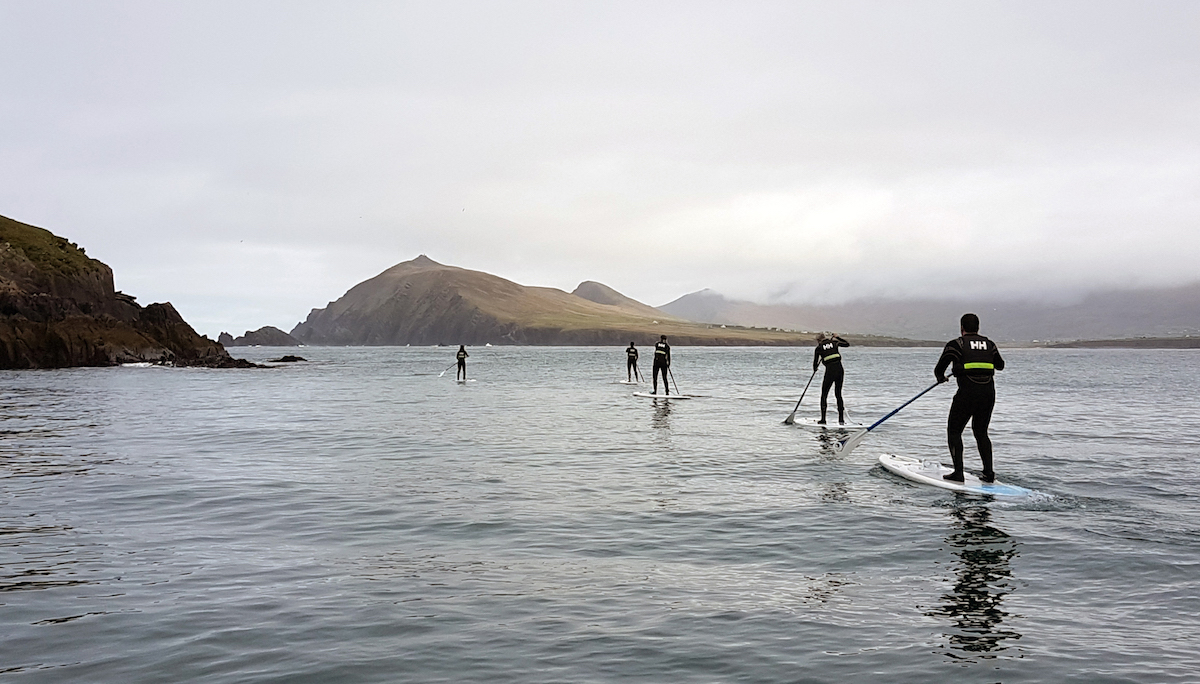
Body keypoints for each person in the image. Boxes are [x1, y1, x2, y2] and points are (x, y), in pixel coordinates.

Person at [934, 313, 1005, 483]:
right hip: (988, 394)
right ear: (978, 328)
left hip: (967, 394)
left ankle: (958, 473)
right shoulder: (990, 344)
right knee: (981, 432)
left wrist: (942, 378)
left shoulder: (955, 345)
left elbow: (939, 369)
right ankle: (989, 474)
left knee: (954, 431)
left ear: (962, 328)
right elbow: (1000, 366)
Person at [813, 331, 849, 424]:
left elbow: (815, 364)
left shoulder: (819, 348)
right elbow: (847, 344)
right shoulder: (834, 342)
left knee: (824, 395)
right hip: (840, 370)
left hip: (830, 371)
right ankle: (841, 419)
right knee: (838, 394)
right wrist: (838, 337)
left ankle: (823, 419)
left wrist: (815, 368)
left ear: (818, 340)